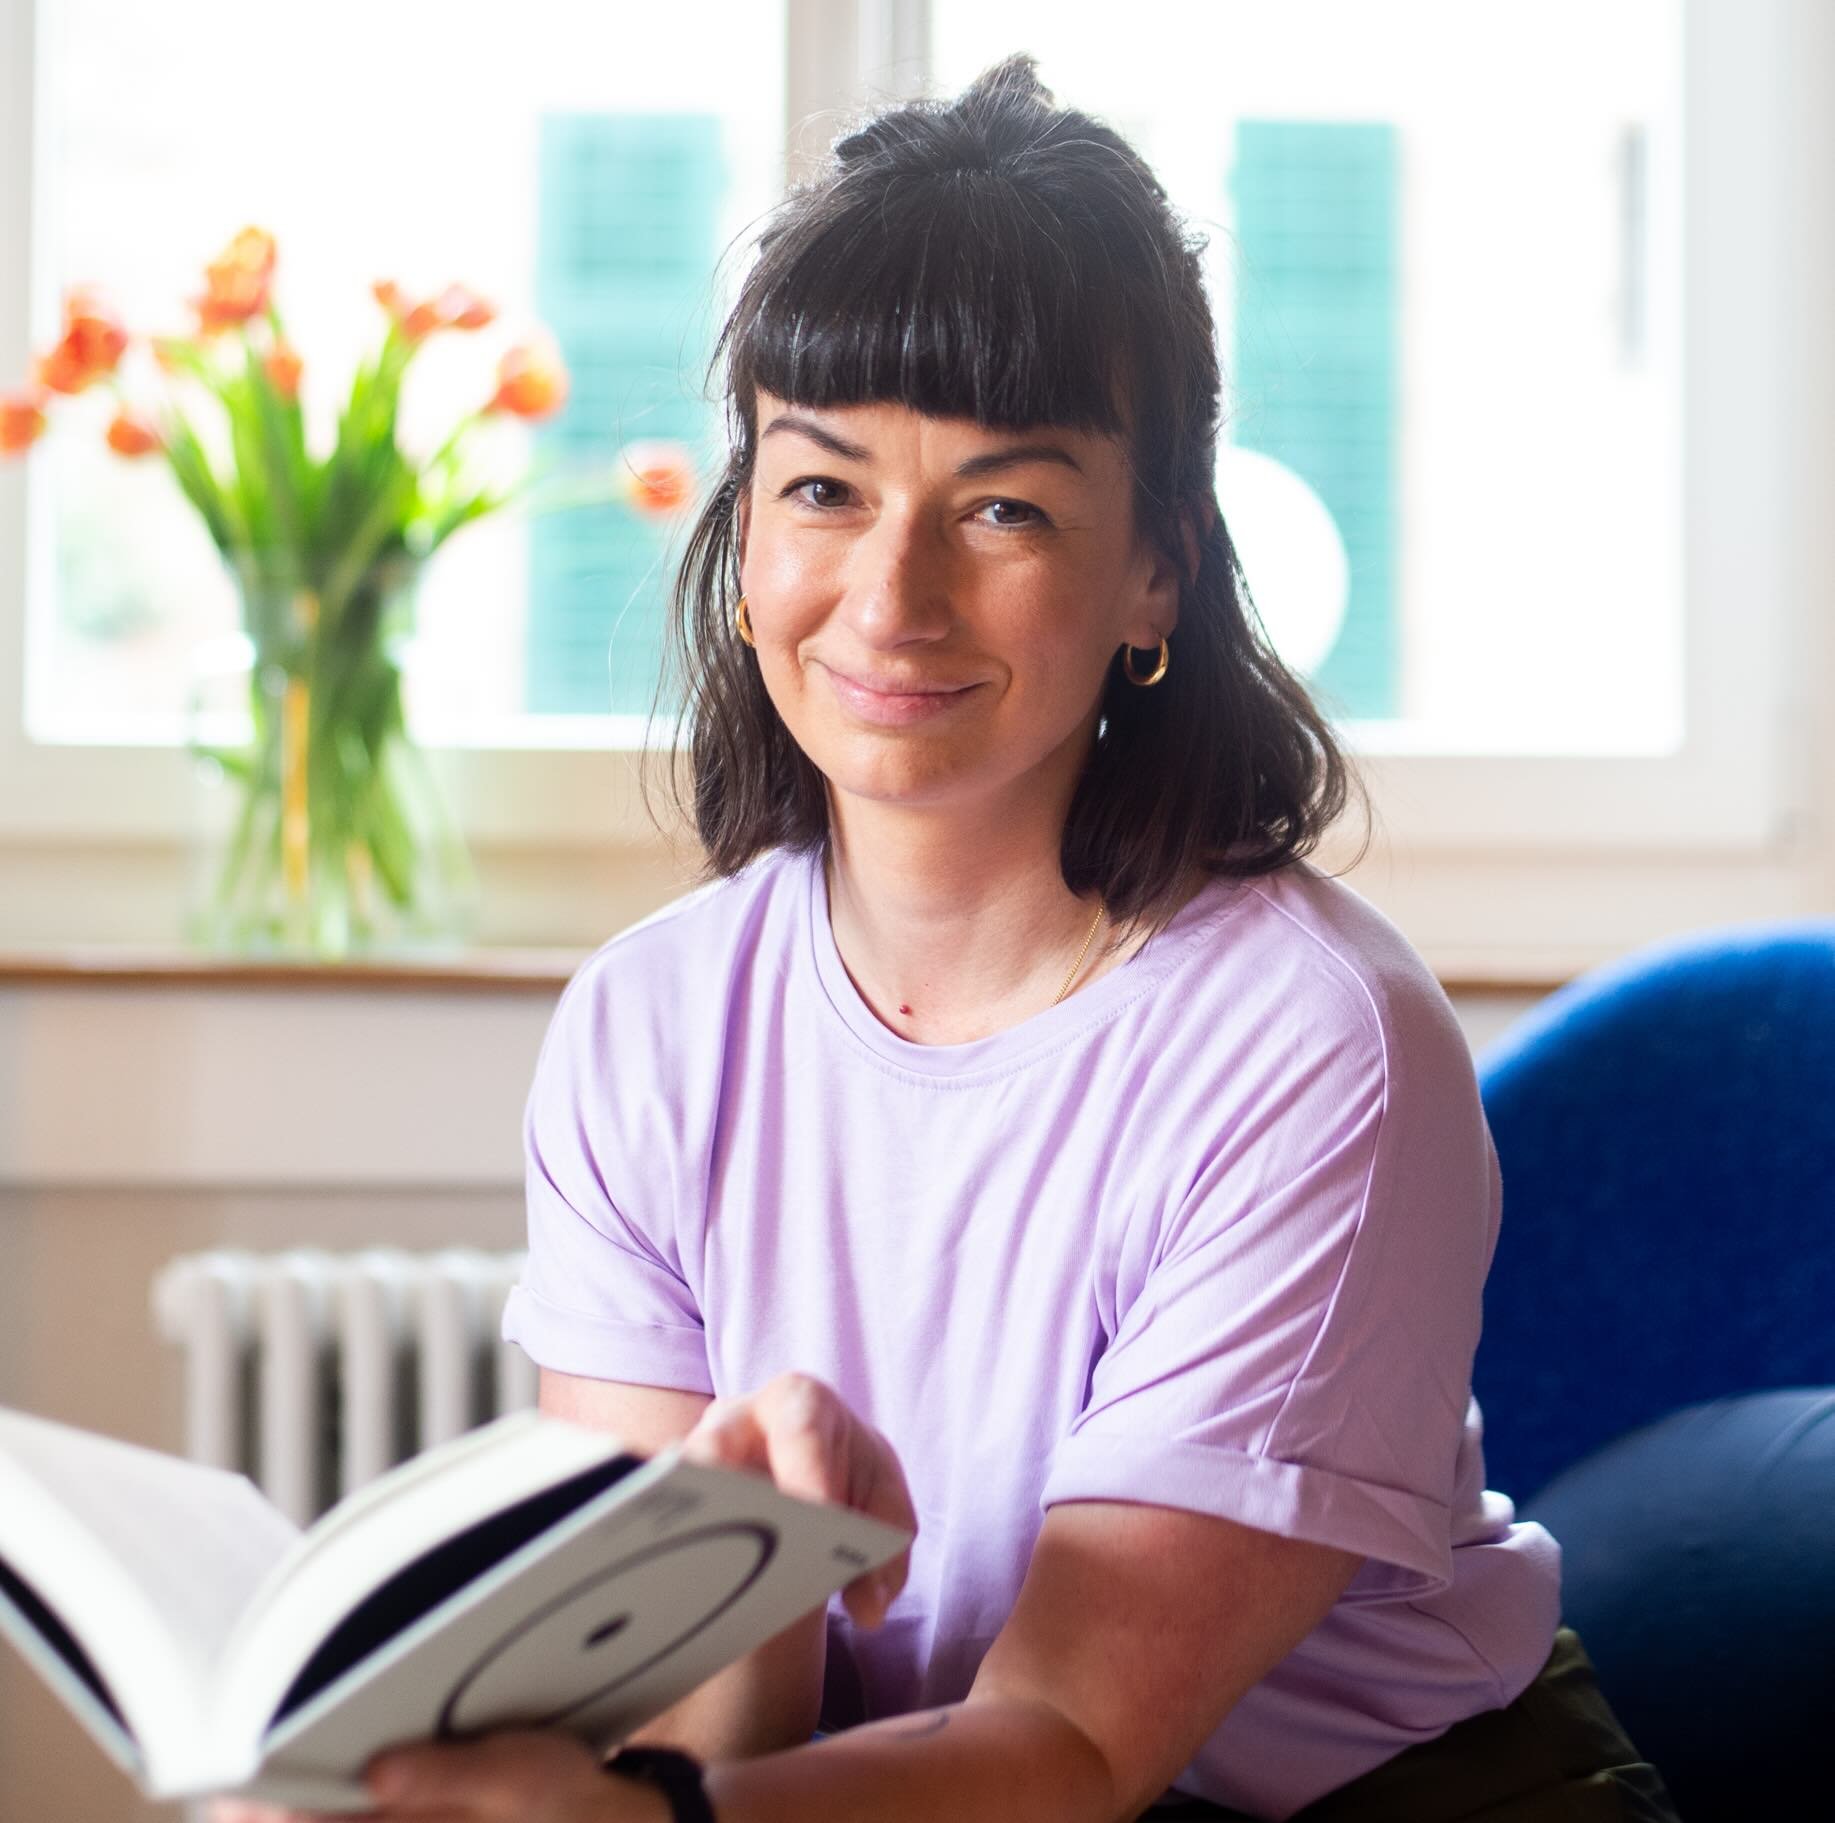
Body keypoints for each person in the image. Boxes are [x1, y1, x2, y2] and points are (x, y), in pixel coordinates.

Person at [218, 51, 1682, 1823]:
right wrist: (747, 1581)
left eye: (1003, 508)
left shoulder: (1316, 1045)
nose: (892, 598)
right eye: (824, 489)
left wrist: (648, 1814)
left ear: (1156, 570)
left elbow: (1075, 1743)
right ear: (743, 540)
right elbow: (708, 1748)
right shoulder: (648, 1026)